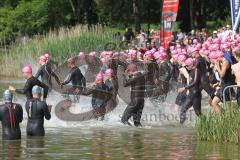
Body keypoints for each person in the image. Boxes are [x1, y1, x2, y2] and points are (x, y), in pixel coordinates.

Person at [178, 58, 202, 124]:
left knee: (198, 113)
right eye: (186, 66)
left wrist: (185, 88)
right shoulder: (191, 71)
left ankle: (206, 125)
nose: (186, 67)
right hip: (190, 95)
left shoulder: (196, 70)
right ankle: (181, 125)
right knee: (183, 109)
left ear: (192, 64)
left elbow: (195, 82)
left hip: (196, 95)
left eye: (187, 65)